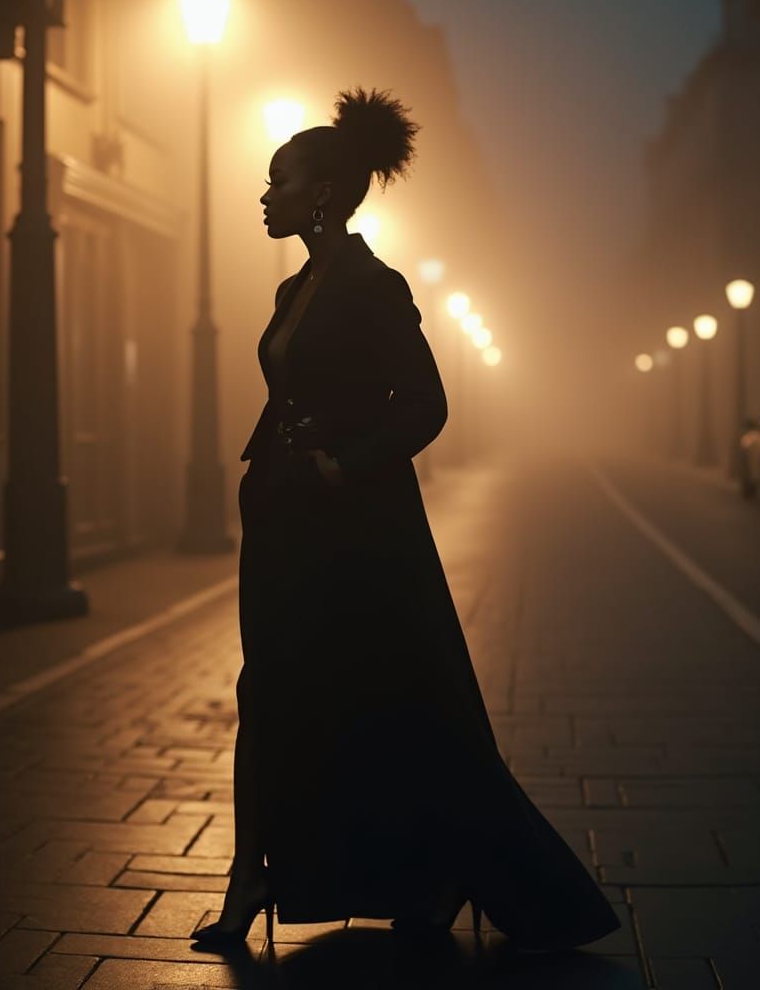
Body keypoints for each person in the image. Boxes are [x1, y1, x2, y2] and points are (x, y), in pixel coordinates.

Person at [191, 87, 620, 951]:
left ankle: (420, 870)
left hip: (354, 527)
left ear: (320, 194)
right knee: (270, 689)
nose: (264, 195)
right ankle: (253, 878)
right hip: (284, 520)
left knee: (384, 694)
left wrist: (342, 463)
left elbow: (426, 404)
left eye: (279, 181)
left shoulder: (371, 284)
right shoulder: (296, 287)